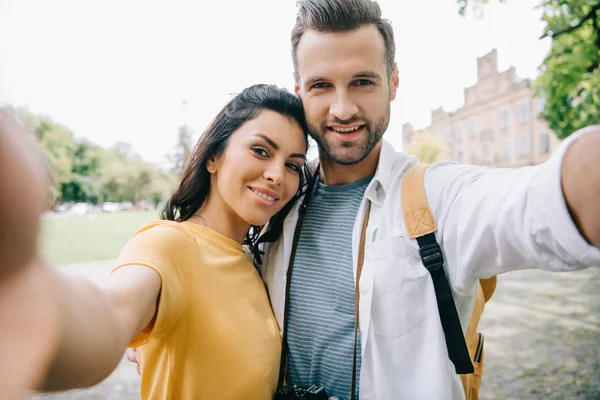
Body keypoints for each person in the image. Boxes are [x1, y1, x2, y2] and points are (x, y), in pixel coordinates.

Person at [131, 2, 600, 399]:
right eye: (321, 86)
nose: (342, 109)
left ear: (394, 82)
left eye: (362, 82)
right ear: (300, 91)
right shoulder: (280, 204)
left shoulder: (436, 197)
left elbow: (536, 202)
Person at [0, 83, 310, 400]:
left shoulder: (256, 260)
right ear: (214, 157)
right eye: (260, 151)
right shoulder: (168, 244)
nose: (276, 175)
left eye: (292, 165)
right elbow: (110, 316)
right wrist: (18, 295)